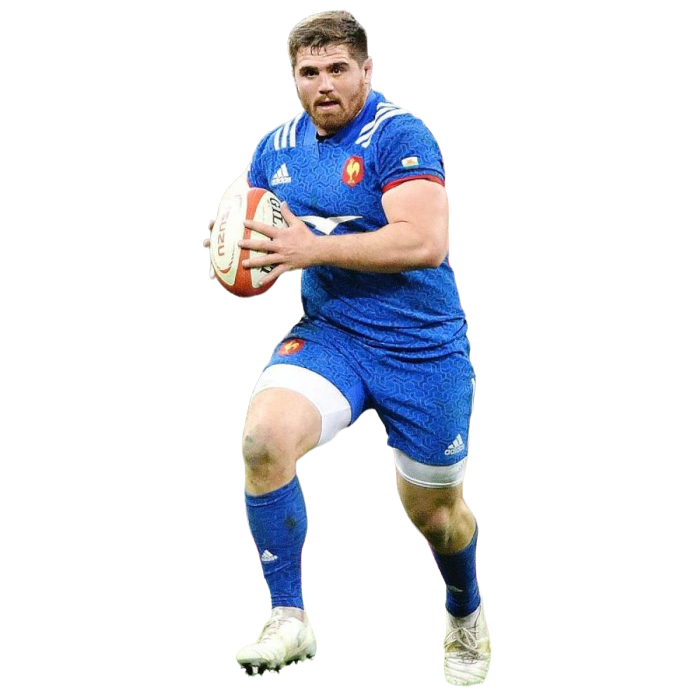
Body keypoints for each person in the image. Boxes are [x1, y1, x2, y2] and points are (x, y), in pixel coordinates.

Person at [203, 10, 491, 687]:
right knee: (263, 440)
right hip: (332, 333)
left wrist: (310, 250)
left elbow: (425, 241)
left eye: (338, 69)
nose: (324, 84)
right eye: (310, 72)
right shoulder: (276, 147)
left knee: (435, 515)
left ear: (367, 70)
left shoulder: (399, 134)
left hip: (422, 348)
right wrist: (231, 247)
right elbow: (245, 210)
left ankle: (464, 608)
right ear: (294, 78)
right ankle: (288, 618)